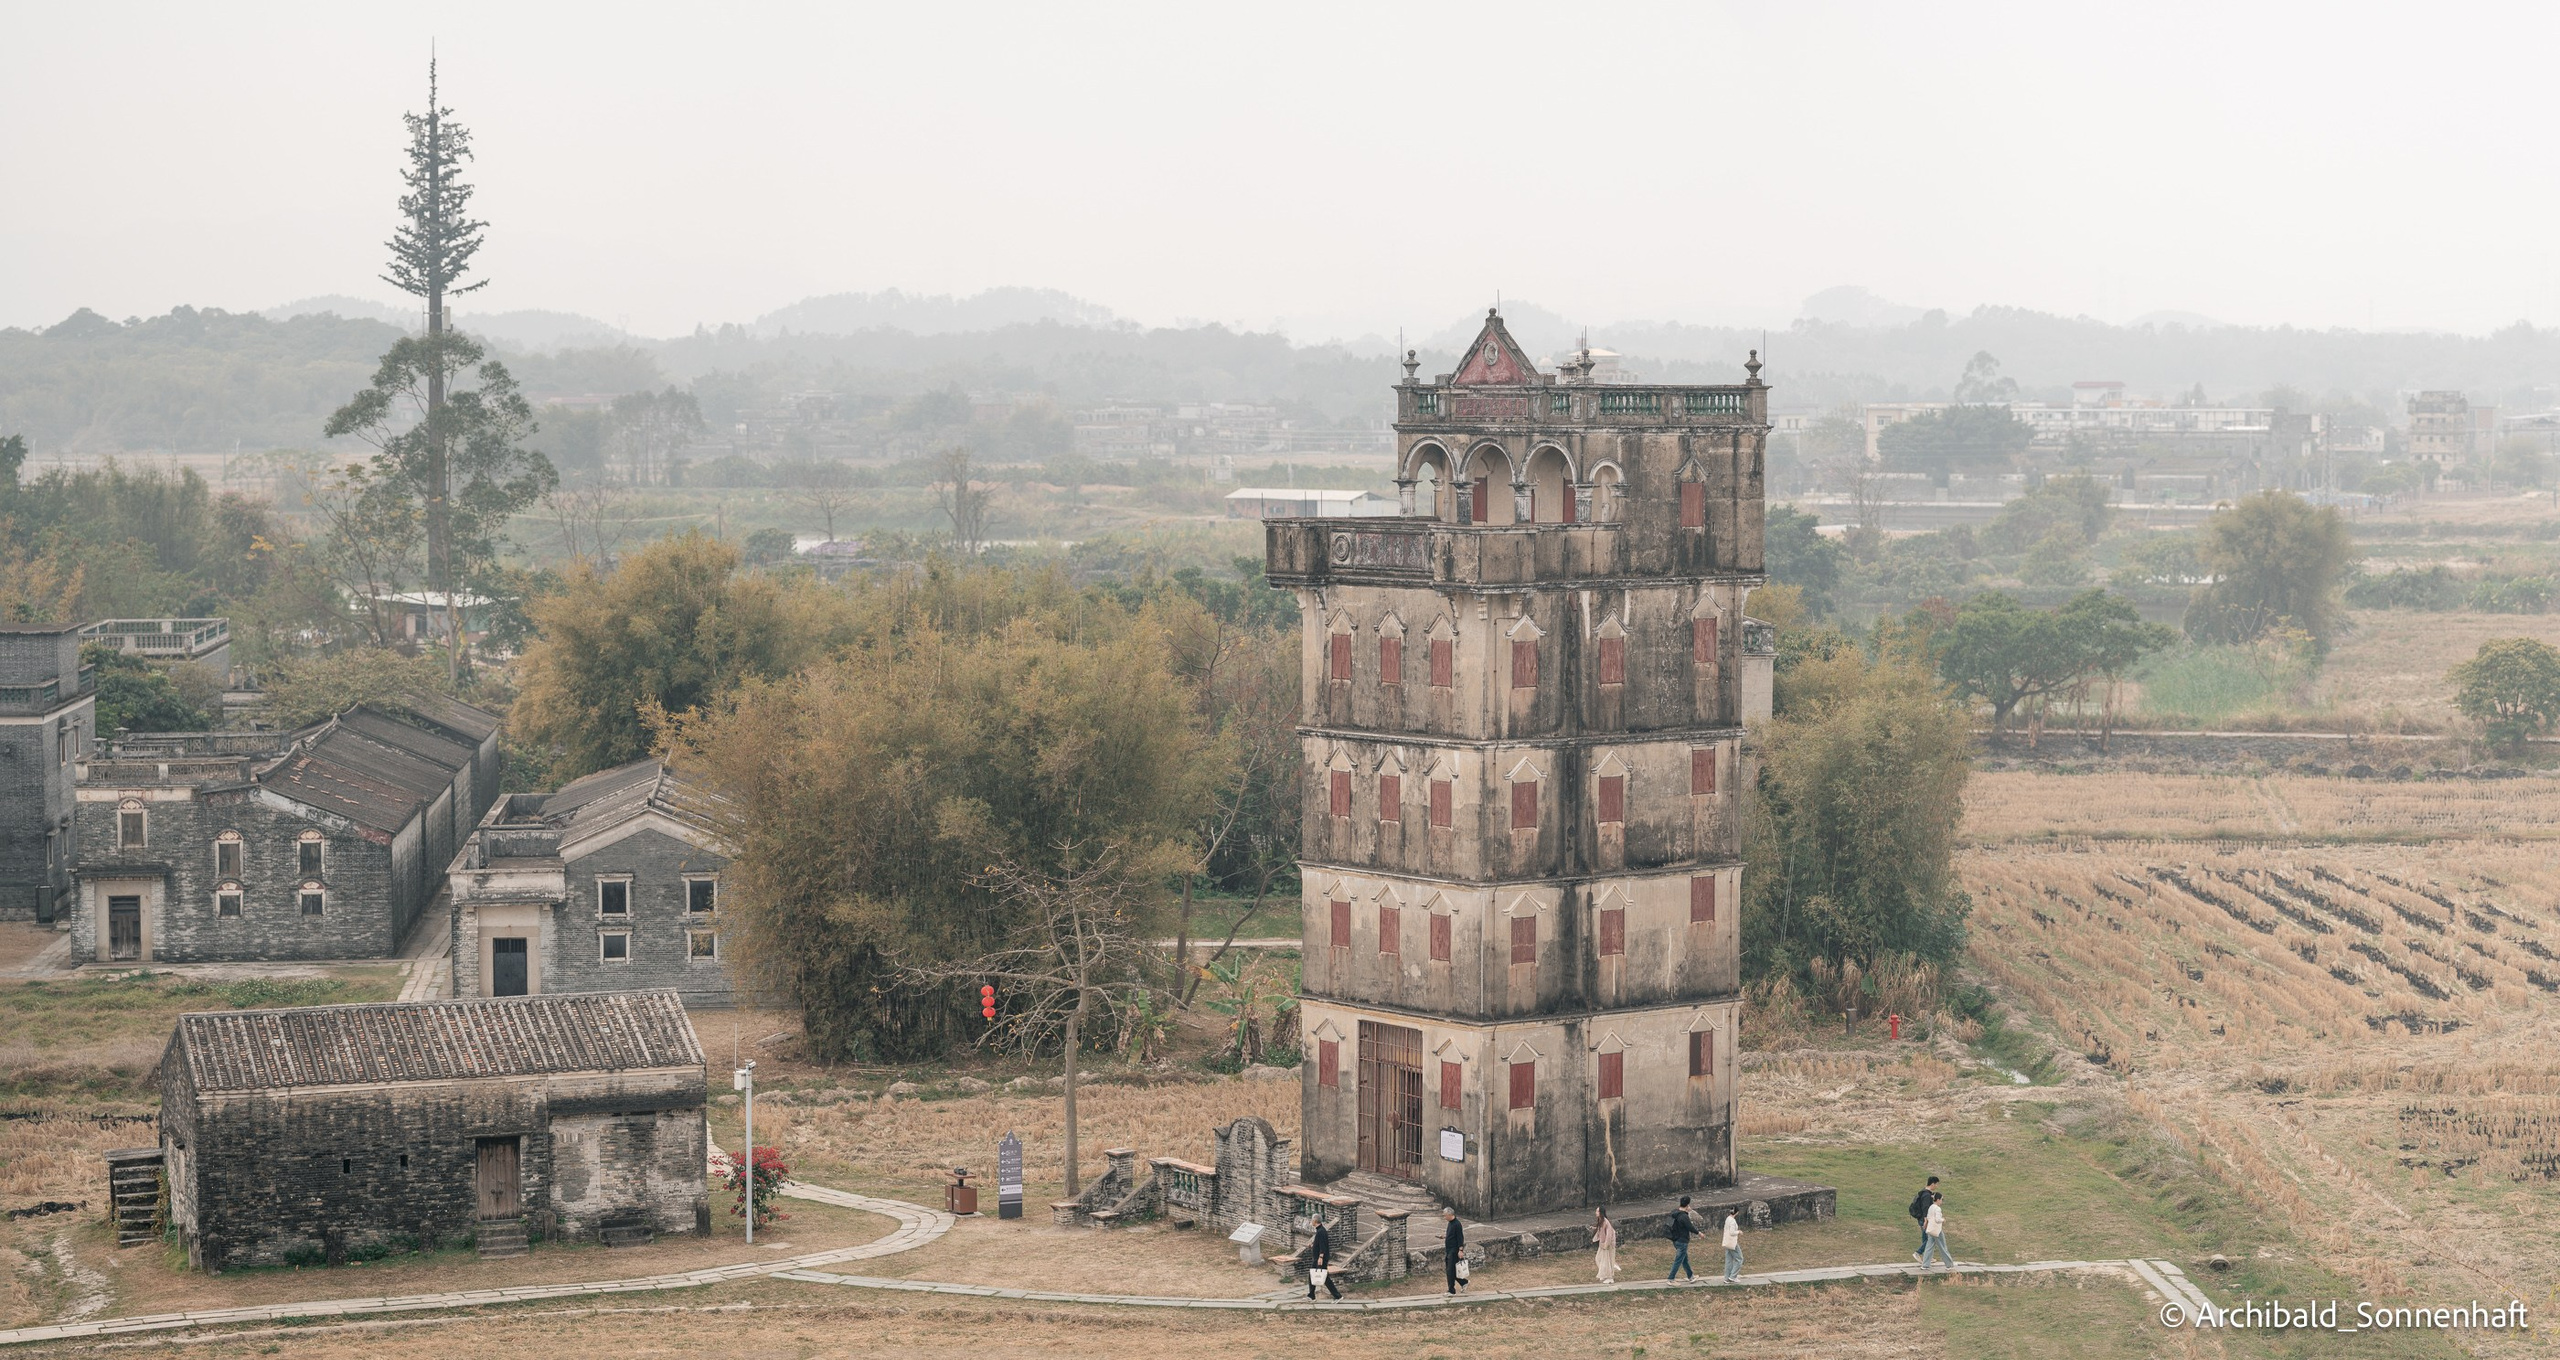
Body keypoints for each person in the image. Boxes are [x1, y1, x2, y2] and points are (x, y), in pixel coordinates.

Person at [1307, 1220, 1342, 1300]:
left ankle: (1338, 1296)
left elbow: (1323, 1246)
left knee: (1325, 1278)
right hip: (1317, 1258)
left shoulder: (1321, 1231)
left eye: (1312, 1220)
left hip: (1320, 1259)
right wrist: (1312, 1246)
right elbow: (1319, 1243)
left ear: (1315, 1221)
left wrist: (1321, 1257)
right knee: (1312, 1275)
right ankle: (1311, 1295)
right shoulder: (1320, 1230)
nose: (1311, 1222)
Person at [1665, 1194, 1697, 1281]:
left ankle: (1690, 1276)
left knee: (1684, 1259)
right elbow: (1690, 1227)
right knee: (1678, 1260)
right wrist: (1699, 1233)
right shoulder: (1684, 1216)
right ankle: (1671, 1278)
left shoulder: (1674, 1212)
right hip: (1682, 1241)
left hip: (1675, 1239)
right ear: (1687, 1205)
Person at [1920, 1191, 1954, 1270]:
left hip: (1930, 1229)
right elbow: (1938, 1219)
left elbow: (1928, 1217)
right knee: (1943, 1247)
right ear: (1938, 1200)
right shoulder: (1938, 1208)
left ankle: (1925, 1264)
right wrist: (1943, 1220)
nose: (1942, 1201)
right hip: (1937, 1230)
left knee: (1929, 1247)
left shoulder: (1931, 1207)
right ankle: (1949, 1265)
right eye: (1941, 1199)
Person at [1908, 1175, 1940, 1260]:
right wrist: (1926, 1220)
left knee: (1925, 1238)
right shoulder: (1926, 1195)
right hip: (1925, 1219)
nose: (1937, 1186)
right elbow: (1925, 1208)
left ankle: (1928, 1257)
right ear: (1932, 1184)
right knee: (1930, 1239)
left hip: (1922, 1219)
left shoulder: (1924, 1192)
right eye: (1936, 1184)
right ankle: (1918, 1253)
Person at [1443, 1207, 1466, 1295]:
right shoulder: (1450, 1223)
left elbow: (1460, 1238)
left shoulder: (1457, 1224)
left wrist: (1460, 1250)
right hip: (1448, 1250)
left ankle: (1451, 1290)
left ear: (1449, 1215)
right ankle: (1464, 1282)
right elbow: (1452, 1235)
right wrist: (1445, 1236)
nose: (1444, 1217)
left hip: (1453, 1250)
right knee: (1452, 1270)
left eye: (1445, 1215)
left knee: (1450, 1270)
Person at [1593, 1207, 1618, 1283]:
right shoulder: (1601, 1221)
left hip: (1608, 1244)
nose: (1596, 1212)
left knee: (1606, 1260)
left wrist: (1606, 1245)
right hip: (1603, 1244)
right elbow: (1600, 1231)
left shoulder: (1605, 1222)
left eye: (1597, 1211)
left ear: (1601, 1212)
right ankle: (1604, 1274)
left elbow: (1609, 1235)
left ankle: (1609, 1277)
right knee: (1598, 1258)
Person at [1721, 1208, 1742, 1282]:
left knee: (1729, 1260)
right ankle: (1733, 1276)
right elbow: (1732, 1232)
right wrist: (1738, 1232)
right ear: (1737, 1213)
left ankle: (1727, 1277)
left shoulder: (1728, 1219)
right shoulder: (1733, 1221)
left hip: (1727, 1242)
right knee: (1739, 1259)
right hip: (1732, 1242)